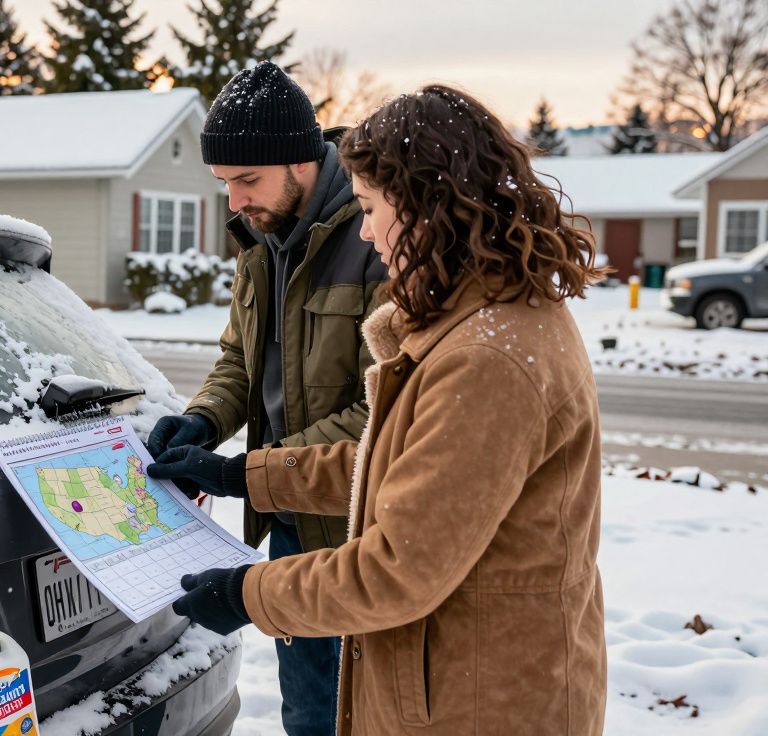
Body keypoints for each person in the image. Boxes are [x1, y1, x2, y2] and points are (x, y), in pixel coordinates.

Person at [149, 84, 609, 735]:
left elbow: (399, 565)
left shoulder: (487, 356)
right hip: (450, 670)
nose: (365, 230)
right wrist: (239, 474)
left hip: (483, 696)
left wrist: (246, 594)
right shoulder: (482, 318)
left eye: (370, 208)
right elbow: (397, 460)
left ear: (426, 205)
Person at [144, 61, 386, 736]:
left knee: (363, 712)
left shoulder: (375, 238)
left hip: (361, 529)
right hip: (289, 518)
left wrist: (242, 474)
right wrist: (202, 419)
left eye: (246, 179)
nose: (234, 201)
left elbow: (386, 409)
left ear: (300, 161)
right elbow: (240, 362)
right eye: (224, 182)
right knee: (306, 711)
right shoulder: (258, 241)